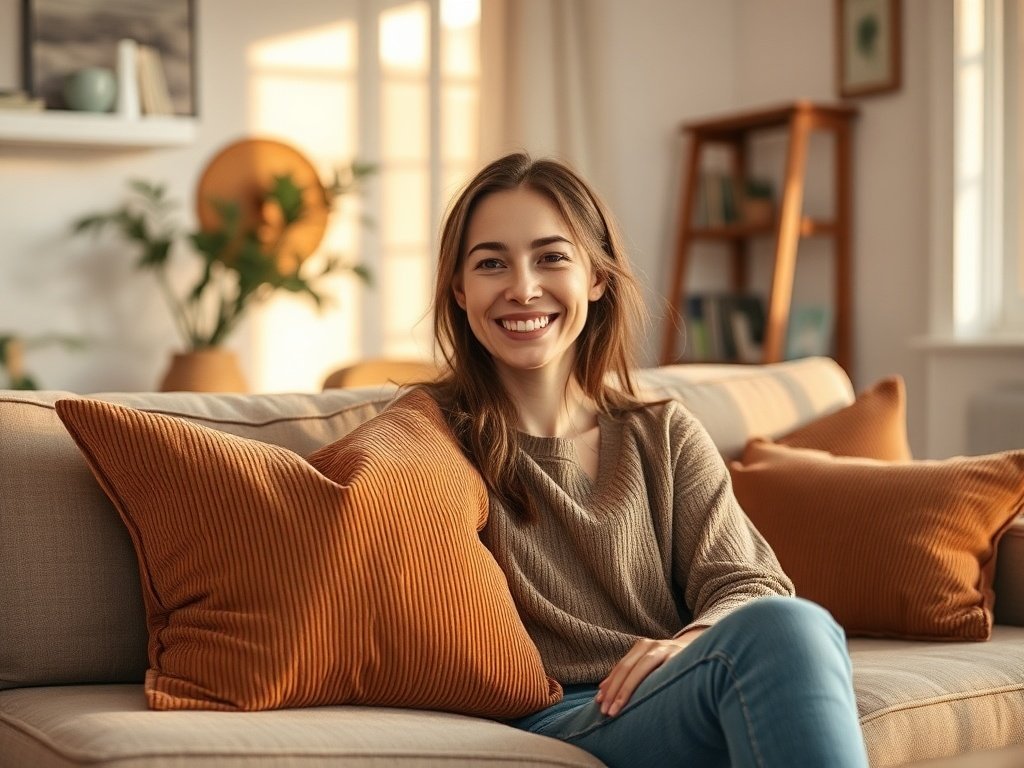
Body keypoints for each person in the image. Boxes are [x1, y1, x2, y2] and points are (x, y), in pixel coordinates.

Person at [422, 152, 869, 768]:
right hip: (554, 716)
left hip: (673, 691)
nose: (522, 287)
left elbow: (750, 582)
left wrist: (688, 643)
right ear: (460, 289)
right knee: (790, 630)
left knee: (792, 624)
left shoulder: (661, 432)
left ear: (597, 279)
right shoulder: (430, 436)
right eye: (492, 263)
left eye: (552, 257)